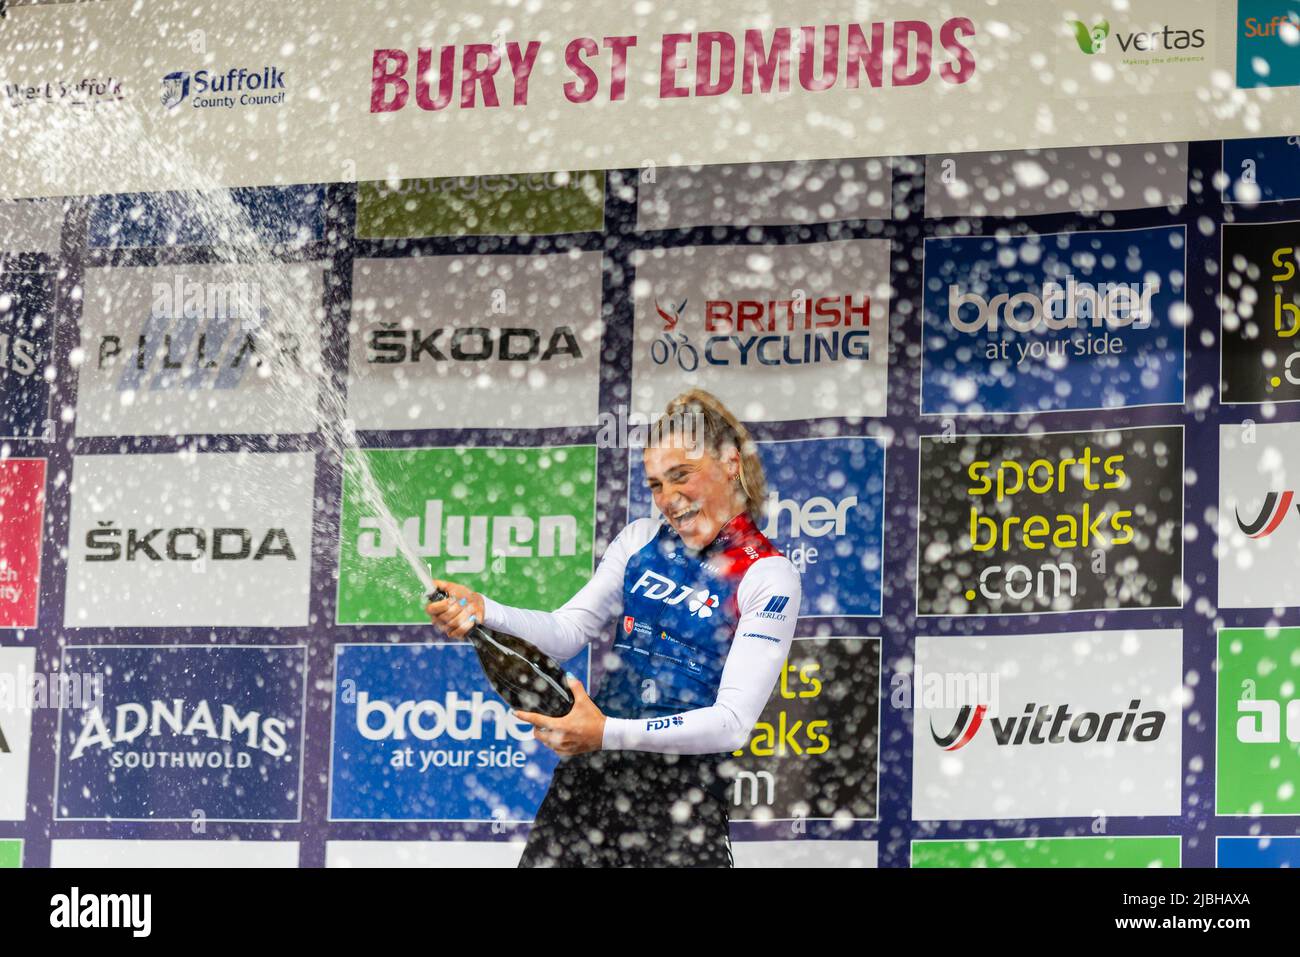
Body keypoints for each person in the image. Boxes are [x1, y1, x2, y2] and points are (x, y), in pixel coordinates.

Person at [426, 389, 801, 867]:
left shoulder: (768, 574)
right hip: (588, 785)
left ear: (730, 464)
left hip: (679, 803)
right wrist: (486, 610)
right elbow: (567, 631)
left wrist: (606, 731)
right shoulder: (640, 541)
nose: (669, 499)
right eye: (656, 485)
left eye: (681, 476)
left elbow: (731, 724)